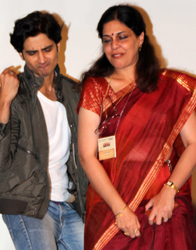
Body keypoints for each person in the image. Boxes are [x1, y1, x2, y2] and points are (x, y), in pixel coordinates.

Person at [77, 4, 196, 250]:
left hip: (164, 206)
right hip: (112, 208)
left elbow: (194, 144)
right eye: (107, 40)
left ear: (140, 38)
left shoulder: (171, 87)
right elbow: (87, 156)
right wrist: (120, 211)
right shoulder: (96, 87)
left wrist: (169, 191)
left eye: (122, 37)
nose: (114, 46)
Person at [0, 11, 88, 250]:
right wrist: (3, 102)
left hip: (68, 205)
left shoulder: (74, 92)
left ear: (58, 45)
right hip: (28, 205)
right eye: (32, 53)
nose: (41, 59)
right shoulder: (14, 96)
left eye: (47, 49)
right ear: (20, 54)